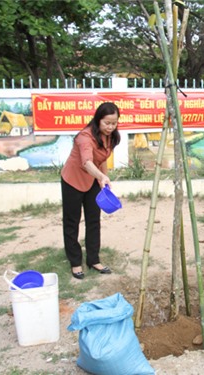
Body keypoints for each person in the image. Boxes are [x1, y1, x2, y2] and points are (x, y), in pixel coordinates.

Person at [61, 102, 121, 279]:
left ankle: (93, 259)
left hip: (92, 179)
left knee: (93, 220)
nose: (110, 127)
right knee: (72, 222)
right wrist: (101, 177)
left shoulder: (111, 137)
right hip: (72, 180)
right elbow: (87, 162)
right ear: (98, 120)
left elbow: (101, 158)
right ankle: (75, 262)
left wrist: (104, 179)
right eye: (107, 123)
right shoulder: (84, 137)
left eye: (114, 123)